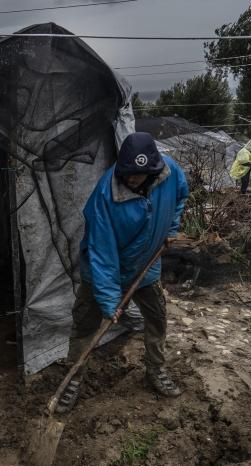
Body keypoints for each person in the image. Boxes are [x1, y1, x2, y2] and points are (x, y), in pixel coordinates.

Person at [57, 132, 189, 413]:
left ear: (153, 171)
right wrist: (109, 301)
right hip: (104, 272)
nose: (130, 179)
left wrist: (172, 229)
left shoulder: (169, 172)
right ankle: (72, 382)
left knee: (156, 319)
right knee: (85, 327)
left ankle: (155, 370)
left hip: (146, 265)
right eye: (127, 173)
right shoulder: (104, 198)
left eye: (138, 175)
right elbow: (102, 256)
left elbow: (180, 196)